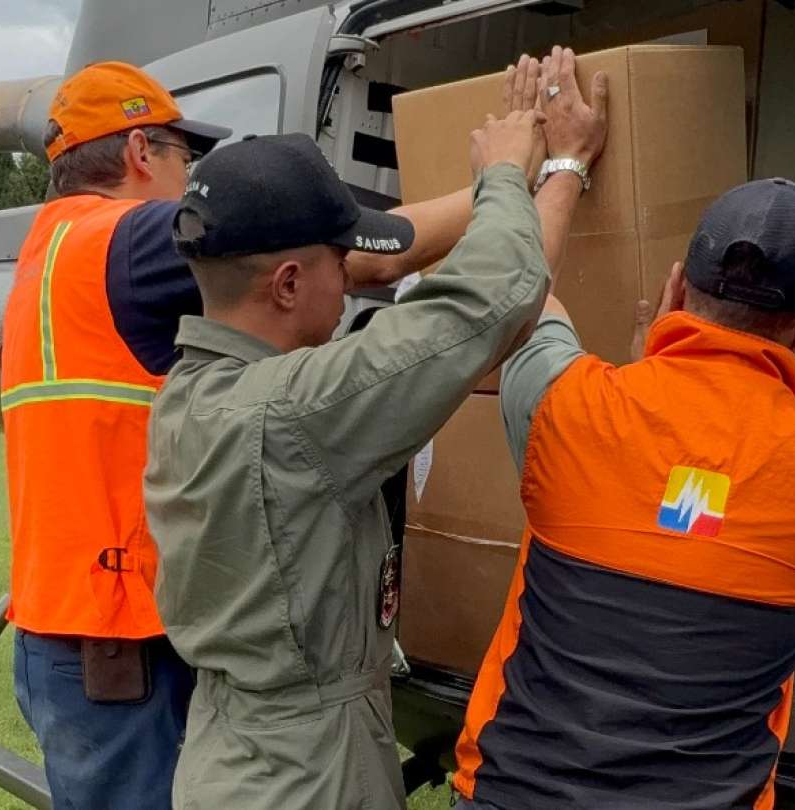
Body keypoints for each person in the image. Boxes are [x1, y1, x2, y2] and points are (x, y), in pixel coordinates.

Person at [0, 60, 483, 809]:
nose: (191, 183)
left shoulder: (50, 249)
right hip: (121, 644)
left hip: (71, 628)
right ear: (139, 153)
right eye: (183, 160)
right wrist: (504, 188)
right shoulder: (127, 241)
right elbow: (346, 255)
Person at [142, 47, 608, 810]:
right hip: (308, 779)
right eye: (340, 257)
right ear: (289, 283)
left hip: (234, 758)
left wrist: (523, 182)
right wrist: (539, 168)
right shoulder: (293, 411)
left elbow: (410, 275)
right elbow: (493, 300)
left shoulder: (191, 392)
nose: (358, 269)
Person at [452, 179, 795, 810]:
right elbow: (706, 514)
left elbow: (525, 295)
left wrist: (564, 165)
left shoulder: (569, 408)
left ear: (675, 289)